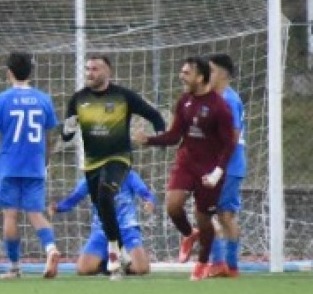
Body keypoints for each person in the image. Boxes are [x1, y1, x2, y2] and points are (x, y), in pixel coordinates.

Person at [60, 54, 166, 279]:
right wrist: (68, 128)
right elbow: (67, 135)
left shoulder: (123, 96)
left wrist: (160, 138)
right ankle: (113, 255)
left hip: (119, 159)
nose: (90, 73)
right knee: (101, 204)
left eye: (95, 69)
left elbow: (154, 116)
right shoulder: (78, 99)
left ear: (108, 72)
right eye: (88, 69)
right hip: (91, 163)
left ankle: (115, 252)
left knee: (105, 194)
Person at [133, 56, 238, 281]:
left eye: (186, 73)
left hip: (209, 170)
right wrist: (149, 140)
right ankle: (189, 235)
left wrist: (218, 171)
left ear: (200, 77)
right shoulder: (184, 102)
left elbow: (229, 143)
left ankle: (202, 263)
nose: (181, 76)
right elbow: (174, 136)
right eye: (181, 72)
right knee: (173, 207)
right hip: (186, 163)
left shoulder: (220, 106)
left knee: (204, 219)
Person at [0, 52, 61, 279]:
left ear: (9, 72)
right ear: (30, 72)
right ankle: (51, 248)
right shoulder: (44, 100)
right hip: (35, 165)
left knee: (10, 216)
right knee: (35, 213)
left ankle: (15, 267)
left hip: (9, 166)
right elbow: (49, 139)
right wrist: (44, 163)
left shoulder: (1, 100)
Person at [52, 169, 155, 276]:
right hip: (101, 231)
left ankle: (127, 260)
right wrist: (58, 207)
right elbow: (74, 198)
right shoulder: (92, 178)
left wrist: (149, 201)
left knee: (141, 269)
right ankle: (107, 263)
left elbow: (145, 192)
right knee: (83, 269)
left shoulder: (128, 175)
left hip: (127, 229)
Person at [206, 53, 246, 277]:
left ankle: (227, 265)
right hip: (216, 167)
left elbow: (232, 137)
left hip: (228, 167)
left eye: (210, 70)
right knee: (210, 213)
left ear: (224, 74)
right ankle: (222, 263)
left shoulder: (229, 100)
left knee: (225, 215)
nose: (206, 75)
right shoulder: (213, 99)